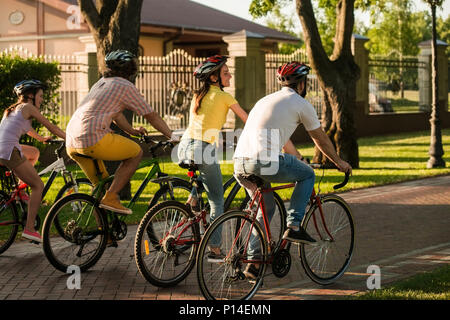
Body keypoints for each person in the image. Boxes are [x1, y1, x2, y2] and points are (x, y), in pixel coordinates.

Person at [233, 61, 352, 279]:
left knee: (265, 209)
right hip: (264, 161)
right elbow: (321, 139)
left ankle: (253, 261)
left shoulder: (265, 101)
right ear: (302, 83)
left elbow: (273, 135)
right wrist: (338, 162)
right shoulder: (300, 103)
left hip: (240, 163)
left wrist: (297, 157)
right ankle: (294, 225)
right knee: (307, 174)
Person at [65, 50, 178, 215]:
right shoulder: (125, 86)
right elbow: (151, 116)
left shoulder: (102, 82)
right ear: (131, 69)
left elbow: (116, 114)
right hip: (92, 138)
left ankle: (105, 235)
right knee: (136, 153)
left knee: (100, 189)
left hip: (72, 141)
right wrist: (172, 136)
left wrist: (131, 131)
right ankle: (112, 197)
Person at [177, 55, 248, 261]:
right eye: (226, 73)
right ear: (214, 77)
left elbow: (202, 125)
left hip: (184, 147)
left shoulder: (198, 96)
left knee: (204, 178)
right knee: (217, 200)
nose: (230, 76)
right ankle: (215, 250)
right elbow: (247, 119)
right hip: (202, 148)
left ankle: (193, 198)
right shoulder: (225, 97)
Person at [0, 79, 66, 242]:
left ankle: (20, 192)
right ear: (30, 95)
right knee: (38, 185)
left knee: (34, 152)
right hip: (10, 151)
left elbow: (27, 130)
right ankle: (30, 229)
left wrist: (42, 138)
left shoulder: (13, 109)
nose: (42, 99)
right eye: (41, 96)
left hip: (4, 149)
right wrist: (71, 138)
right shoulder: (28, 107)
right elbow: (52, 127)